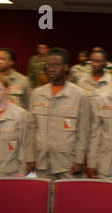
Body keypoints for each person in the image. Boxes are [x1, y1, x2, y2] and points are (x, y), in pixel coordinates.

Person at [28, 48, 92, 180]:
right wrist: (30, 157)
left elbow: (83, 131)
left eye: (56, 65)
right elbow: (31, 129)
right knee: (43, 199)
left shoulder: (79, 95)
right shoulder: (36, 94)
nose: (51, 69)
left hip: (68, 162)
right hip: (42, 161)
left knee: (70, 199)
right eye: (48, 65)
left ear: (66, 67)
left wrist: (79, 160)